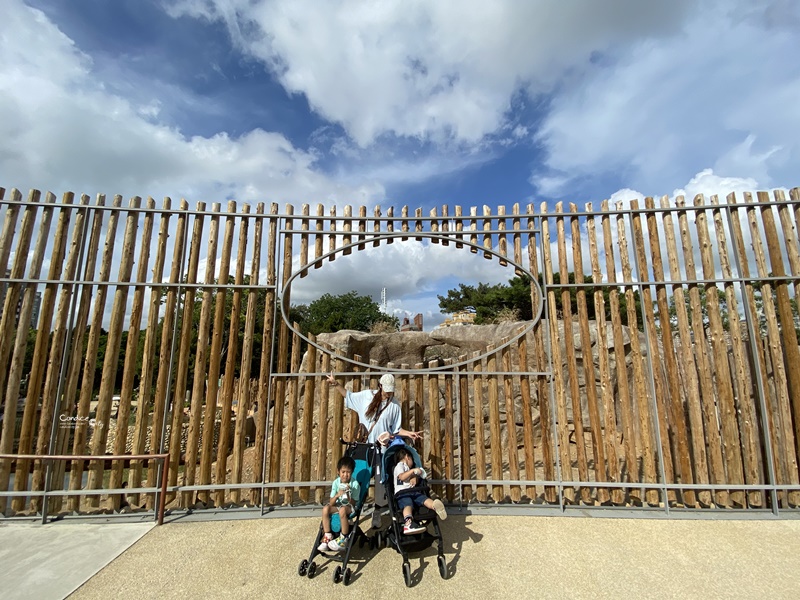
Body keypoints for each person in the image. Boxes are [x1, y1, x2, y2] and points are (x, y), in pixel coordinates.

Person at [327, 372, 422, 528]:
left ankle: (376, 513)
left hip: (381, 450)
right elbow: (348, 396)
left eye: (391, 390)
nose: (389, 393)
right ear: (380, 386)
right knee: (358, 479)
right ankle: (350, 511)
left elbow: (395, 430)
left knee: (380, 483)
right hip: (364, 449)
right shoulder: (366, 396)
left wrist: (409, 433)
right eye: (386, 390)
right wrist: (336, 384)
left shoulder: (394, 405)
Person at [393, 447, 447, 534]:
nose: (413, 463)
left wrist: (415, 477)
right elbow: (402, 477)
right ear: (407, 457)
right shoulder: (400, 466)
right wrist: (413, 471)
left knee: (423, 498)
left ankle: (435, 506)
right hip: (402, 493)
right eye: (412, 460)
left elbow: (415, 478)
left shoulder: (408, 469)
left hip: (412, 491)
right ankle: (408, 523)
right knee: (408, 504)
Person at [318, 455, 360, 552]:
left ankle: (344, 537)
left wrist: (348, 495)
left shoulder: (355, 484)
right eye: (343, 472)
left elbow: (353, 503)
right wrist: (337, 495)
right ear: (338, 472)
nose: (345, 475)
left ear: (352, 472)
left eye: (348, 472)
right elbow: (331, 502)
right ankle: (328, 535)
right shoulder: (336, 483)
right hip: (338, 505)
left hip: (349, 507)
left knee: (342, 510)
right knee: (325, 509)